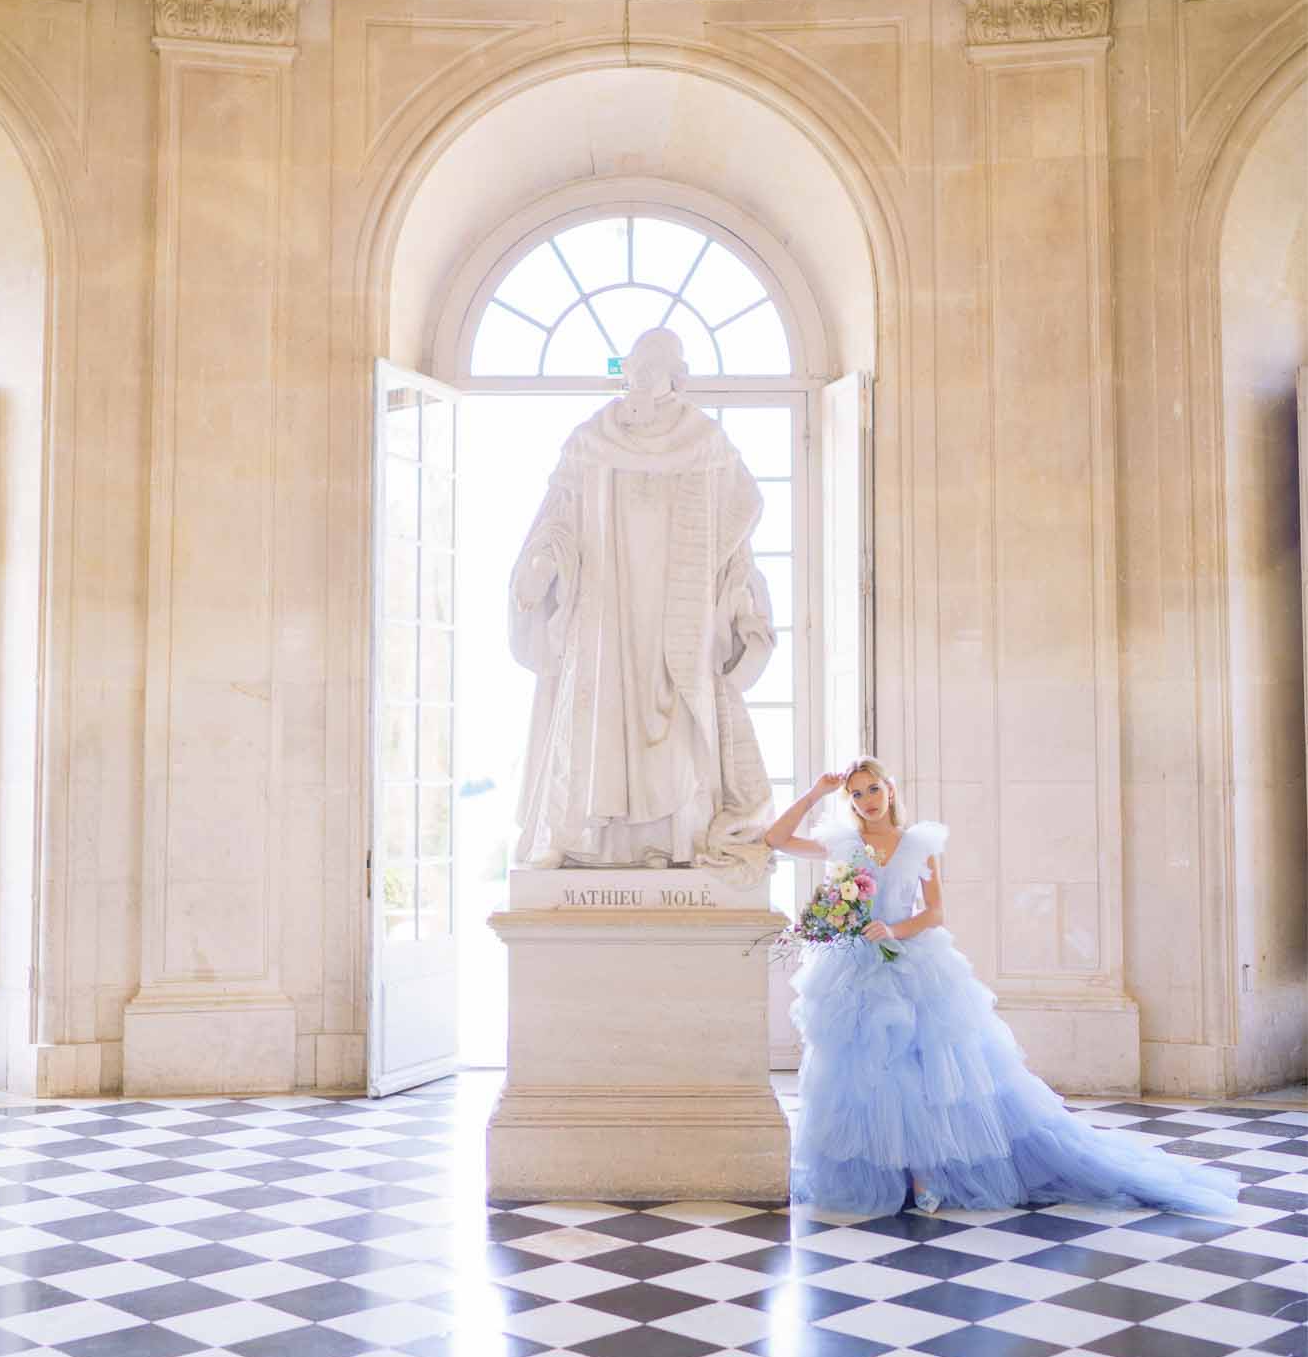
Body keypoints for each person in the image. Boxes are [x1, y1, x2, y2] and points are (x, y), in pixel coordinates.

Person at [765, 758, 1242, 1218]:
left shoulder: (917, 843)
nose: (867, 800)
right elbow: (776, 838)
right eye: (856, 793)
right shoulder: (845, 843)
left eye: (873, 788)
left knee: (930, 1074)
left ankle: (929, 1173)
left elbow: (935, 913)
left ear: (890, 789)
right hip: (854, 969)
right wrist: (815, 792)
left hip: (911, 960)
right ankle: (885, 1175)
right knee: (869, 1075)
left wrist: (893, 931)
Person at [509, 328, 774, 882]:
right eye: (638, 368)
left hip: (680, 606)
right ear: (626, 372)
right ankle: (592, 838)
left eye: (657, 368)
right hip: (605, 604)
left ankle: (676, 839)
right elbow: (557, 515)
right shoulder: (591, 439)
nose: (645, 379)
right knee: (600, 711)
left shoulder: (706, 440)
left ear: (676, 376)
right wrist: (542, 564)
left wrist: (735, 593)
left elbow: (744, 508)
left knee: (676, 716)